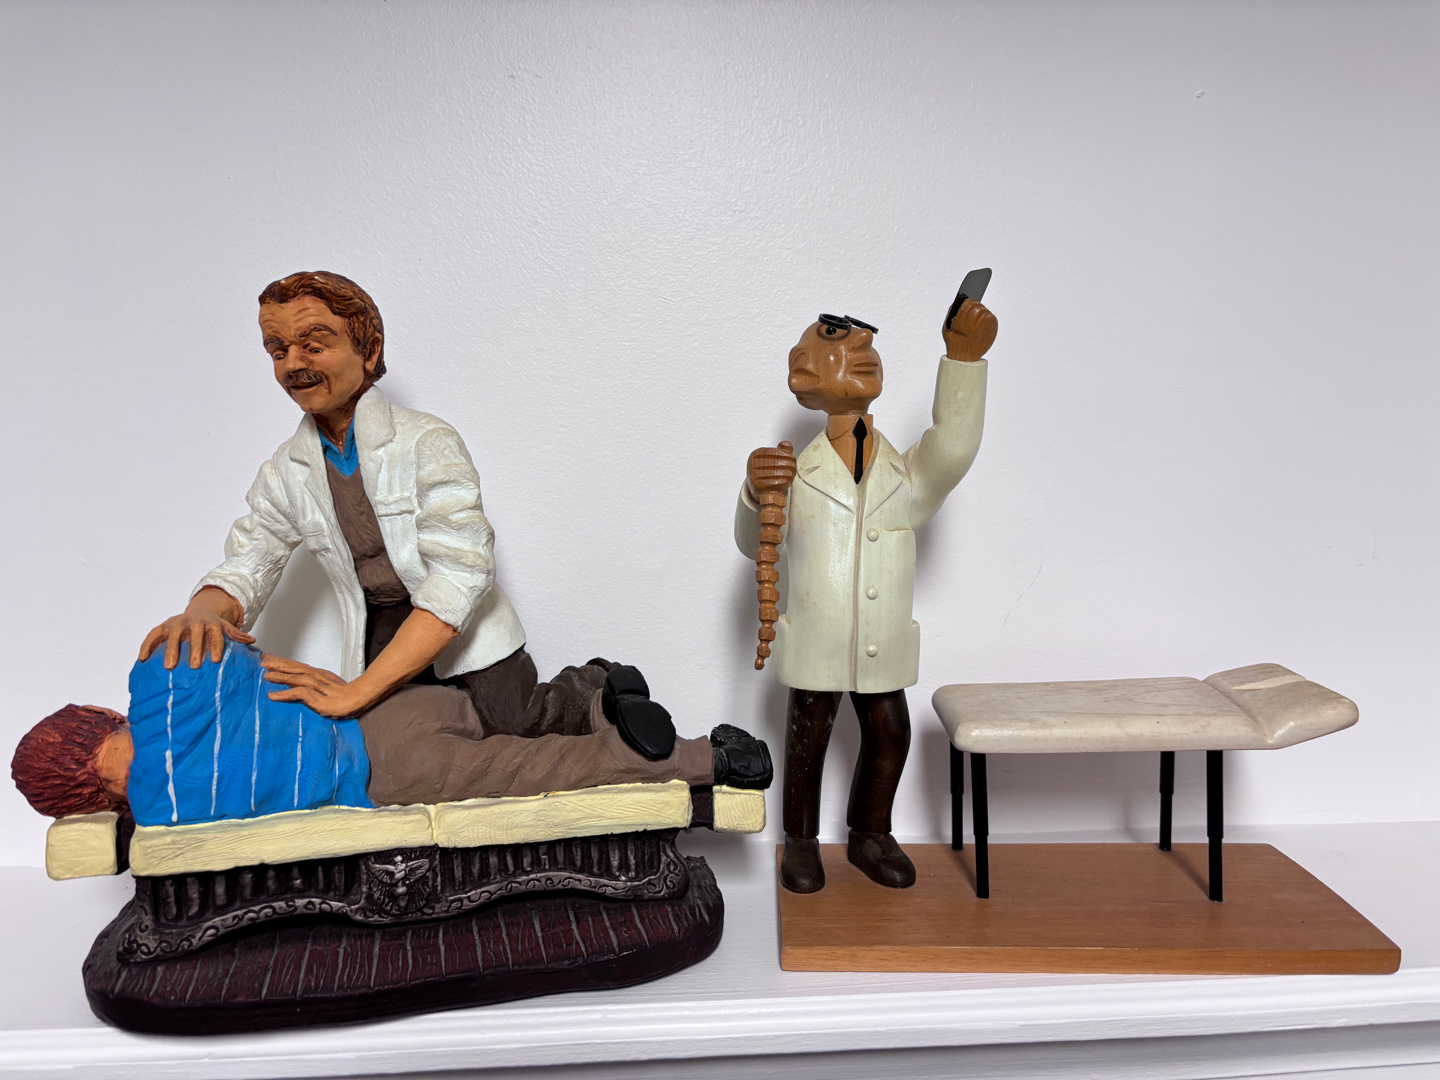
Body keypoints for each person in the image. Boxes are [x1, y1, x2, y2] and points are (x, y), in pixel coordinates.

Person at [139, 271, 669, 748]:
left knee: (516, 721)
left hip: (458, 619)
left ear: (368, 351)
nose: (294, 364)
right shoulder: (285, 472)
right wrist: (203, 613)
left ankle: (597, 686)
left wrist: (358, 690)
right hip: (382, 630)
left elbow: (460, 575)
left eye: (314, 345)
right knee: (378, 747)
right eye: (278, 351)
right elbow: (251, 558)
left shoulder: (426, 442)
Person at [736, 297, 997, 893]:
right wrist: (754, 492)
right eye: (840, 339)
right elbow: (754, 544)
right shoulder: (790, 473)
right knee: (807, 739)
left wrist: (962, 361)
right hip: (815, 639)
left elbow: (953, 449)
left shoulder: (904, 475)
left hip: (881, 639)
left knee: (890, 734)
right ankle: (801, 841)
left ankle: (870, 834)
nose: (863, 347)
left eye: (868, 342)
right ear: (804, 372)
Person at [10, 648, 768, 826]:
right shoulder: (162, 681)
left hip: (385, 777)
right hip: (378, 710)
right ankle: (593, 689)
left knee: (531, 770)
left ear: (86, 800)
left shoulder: (159, 813)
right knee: (504, 715)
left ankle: (701, 757)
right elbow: (245, 657)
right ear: (96, 717)